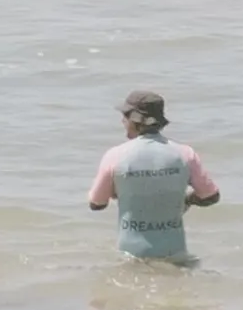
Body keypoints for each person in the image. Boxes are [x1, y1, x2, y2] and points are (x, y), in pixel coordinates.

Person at [91, 93, 222, 261]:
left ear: (134, 120)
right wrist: (187, 201)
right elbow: (211, 196)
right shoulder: (184, 154)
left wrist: (121, 191)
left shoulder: (116, 156)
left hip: (131, 255)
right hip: (175, 255)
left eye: (124, 116)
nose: (122, 121)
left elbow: (97, 204)